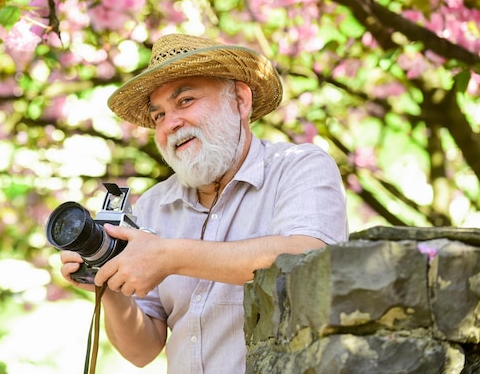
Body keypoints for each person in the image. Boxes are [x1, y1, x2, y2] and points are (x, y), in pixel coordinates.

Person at [59, 34, 348, 373]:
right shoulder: (154, 204)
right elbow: (142, 351)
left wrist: (170, 257)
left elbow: (308, 258)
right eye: (159, 116)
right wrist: (108, 285)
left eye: (185, 101)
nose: (171, 123)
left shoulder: (299, 166)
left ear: (240, 100)